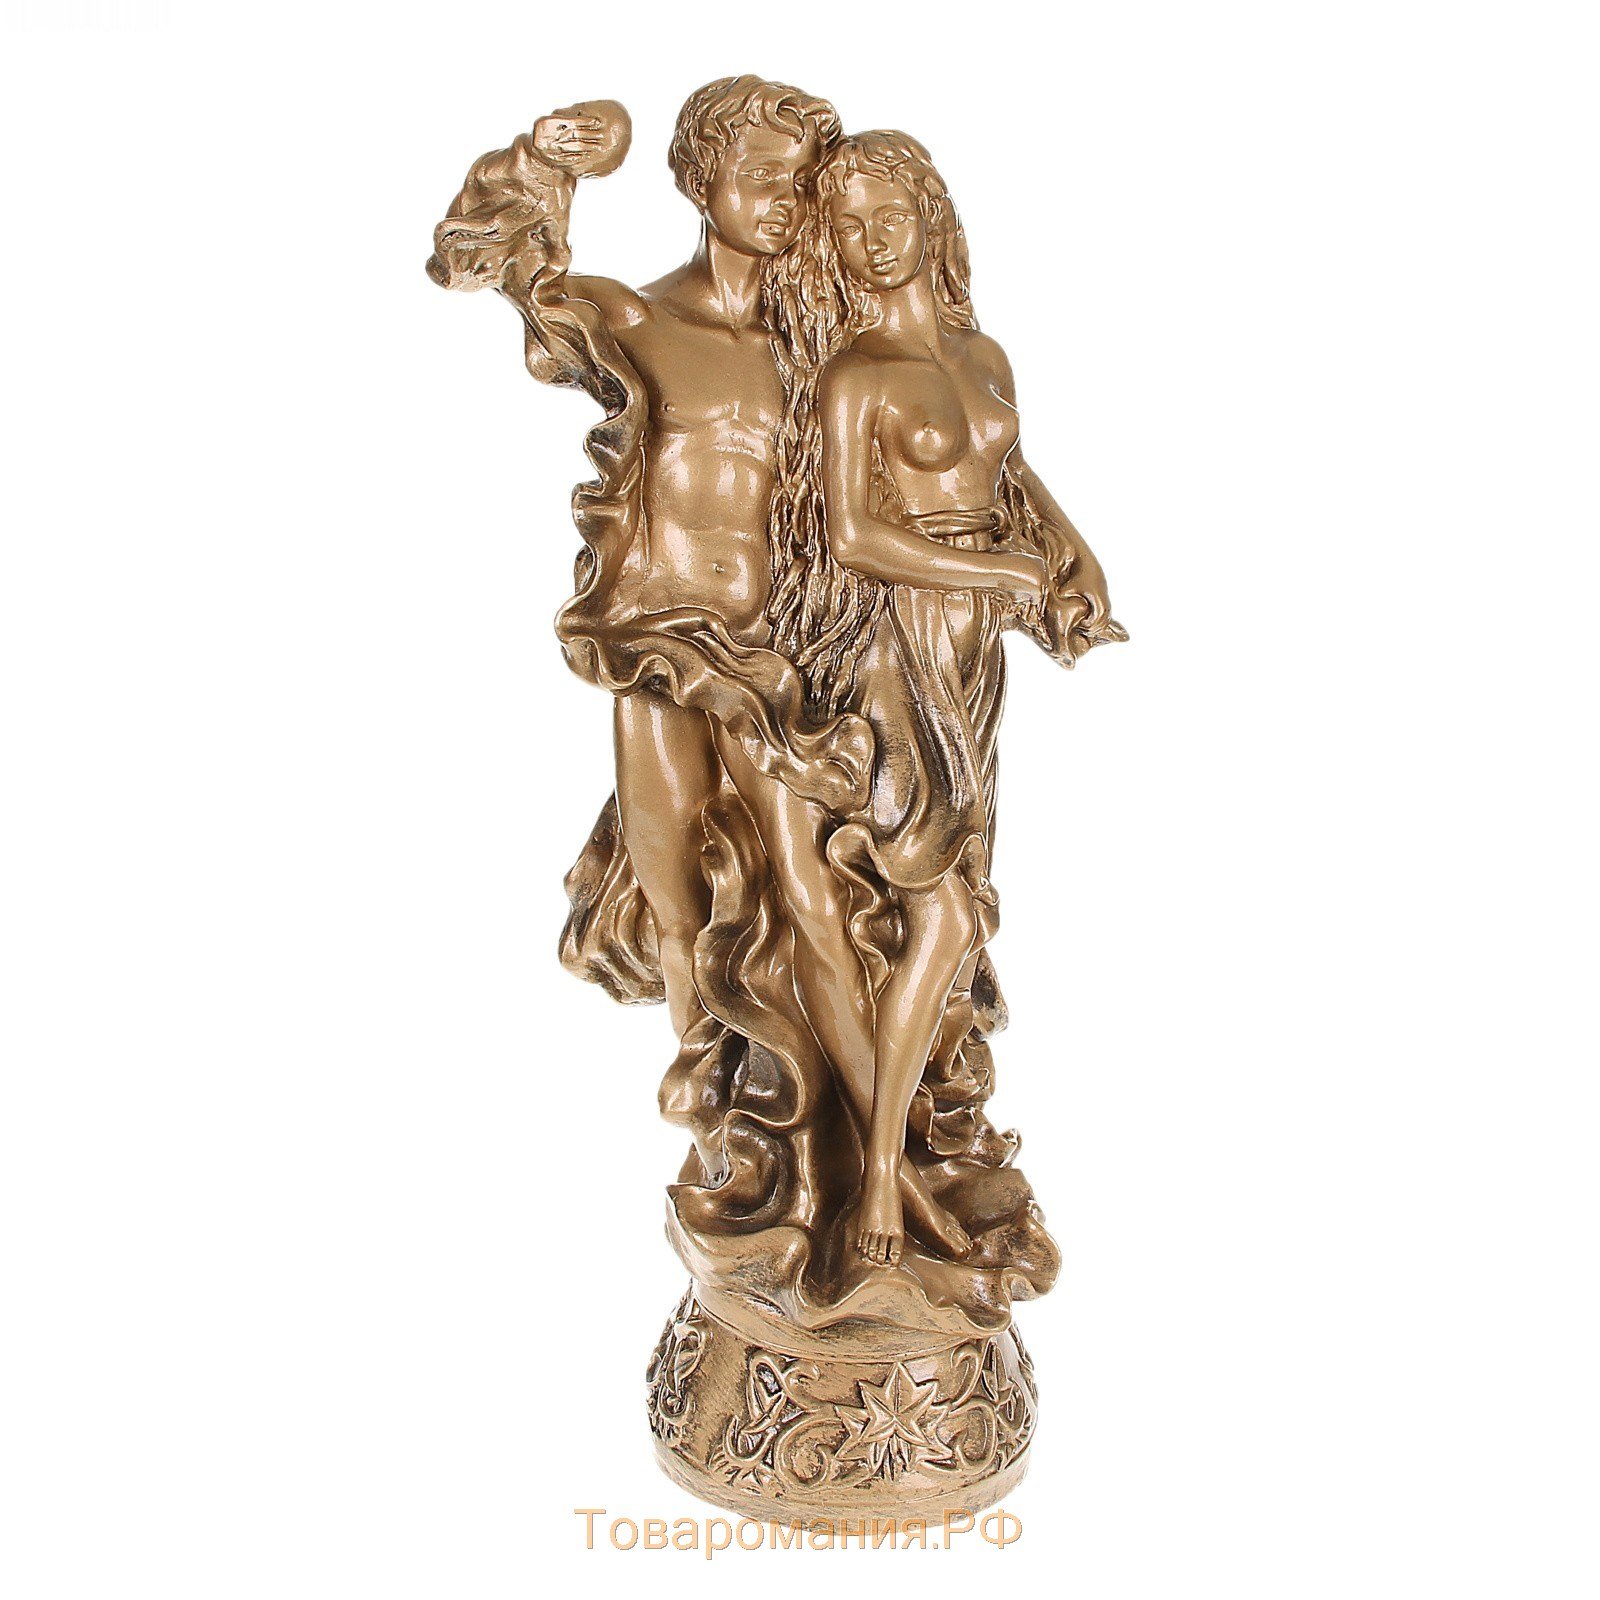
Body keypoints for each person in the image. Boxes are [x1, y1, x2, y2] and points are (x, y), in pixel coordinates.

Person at [764, 131, 1124, 1264]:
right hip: (895, 648)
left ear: (931, 215)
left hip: (974, 659)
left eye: (890, 217)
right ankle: (878, 1178)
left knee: (954, 906)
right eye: (848, 228)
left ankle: (912, 1148)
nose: (873, 243)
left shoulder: (983, 355)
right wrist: (1004, 573)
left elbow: (1008, 476)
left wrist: (1070, 554)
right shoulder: (855, 375)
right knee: (947, 911)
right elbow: (854, 535)